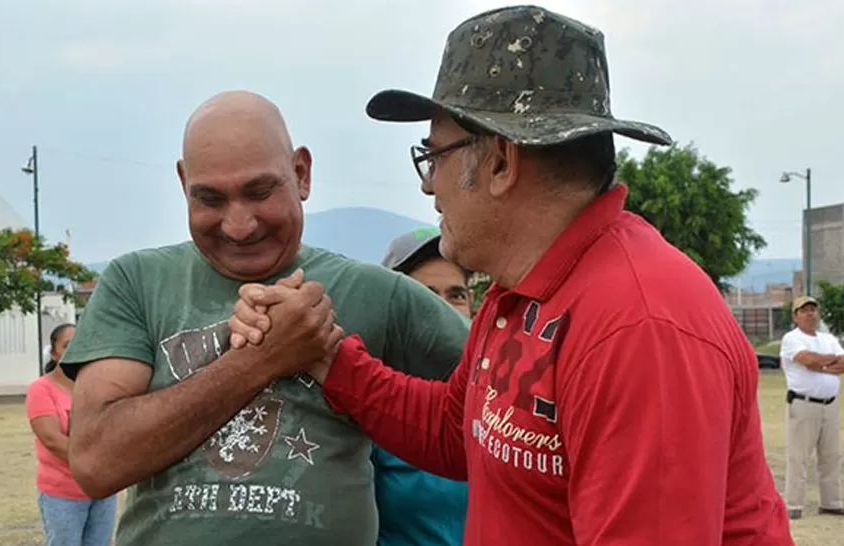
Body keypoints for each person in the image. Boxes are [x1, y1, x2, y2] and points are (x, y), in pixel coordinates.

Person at [227, 5, 794, 545]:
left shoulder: (640, 326)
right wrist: (323, 354)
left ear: (500, 161)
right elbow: (458, 432)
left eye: (435, 157)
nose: (429, 186)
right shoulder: (521, 291)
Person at [57, 91, 469, 546]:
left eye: (259, 191)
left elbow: (505, 405)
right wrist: (263, 359)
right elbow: (96, 463)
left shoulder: (377, 293)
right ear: (182, 183)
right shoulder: (136, 282)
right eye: (210, 199)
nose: (238, 225)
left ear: (301, 174)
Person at [375, 226, 471, 546]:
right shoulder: (370, 401)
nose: (442, 308)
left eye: (456, 295)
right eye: (426, 295)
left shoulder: (500, 398)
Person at [26, 323, 118, 546]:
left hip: (102, 491)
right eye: (67, 345)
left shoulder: (99, 388)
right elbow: (51, 439)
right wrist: (93, 462)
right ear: (55, 353)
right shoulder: (41, 389)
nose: (75, 349)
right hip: (63, 494)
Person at [779, 295, 844, 520]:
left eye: (813, 309)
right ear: (796, 316)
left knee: (831, 456)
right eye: (804, 310)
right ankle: (794, 504)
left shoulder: (828, 338)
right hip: (804, 403)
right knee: (799, 456)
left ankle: (831, 502)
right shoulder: (792, 339)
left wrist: (822, 364)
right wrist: (829, 362)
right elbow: (807, 360)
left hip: (829, 404)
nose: (810, 314)